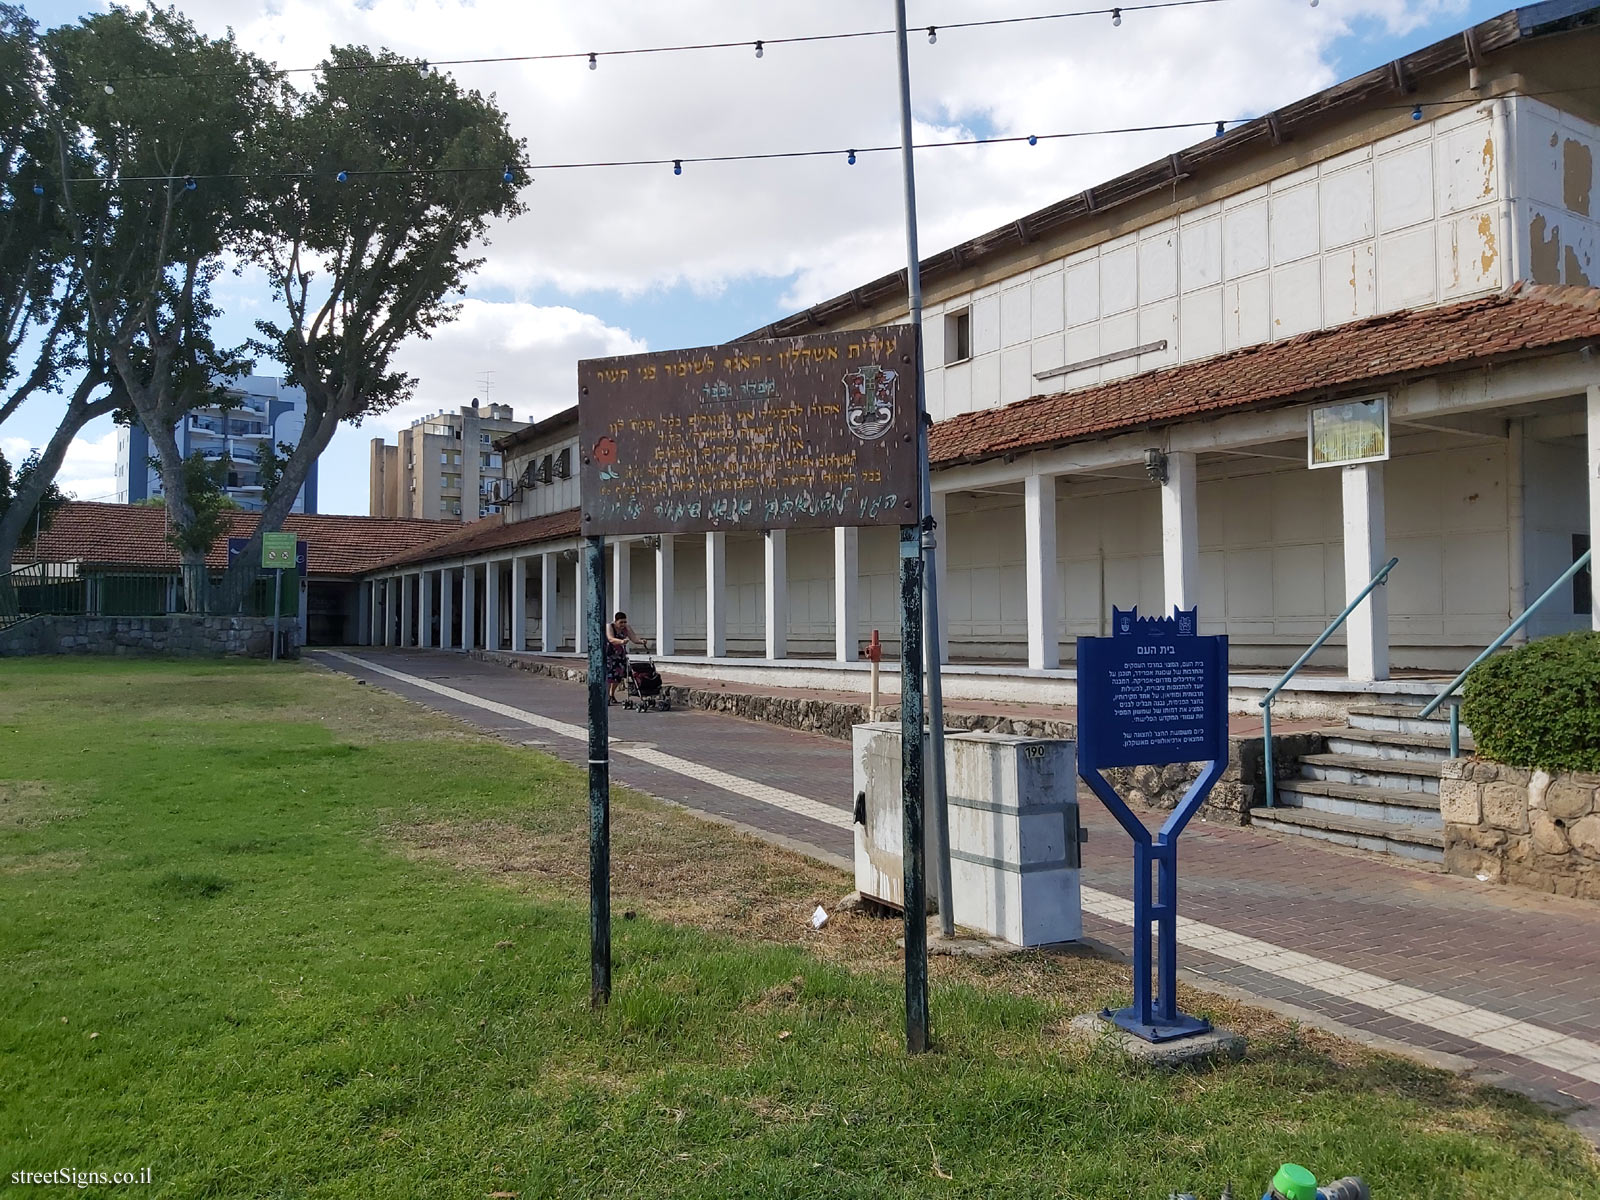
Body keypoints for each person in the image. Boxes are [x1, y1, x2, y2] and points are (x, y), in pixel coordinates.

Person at [605, 611, 647, 704]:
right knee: (609, 676)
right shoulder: (610, 626)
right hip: (609, 654)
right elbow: (610, 638)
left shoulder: (626, 627)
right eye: (621, 622)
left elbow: (634, 638)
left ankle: (612, 695)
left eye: (625, 622)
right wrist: (621, 642)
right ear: (615, 621)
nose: (623, 624)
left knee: (618, 676)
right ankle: (606, 697)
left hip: (620, 655)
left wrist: (641, 641)